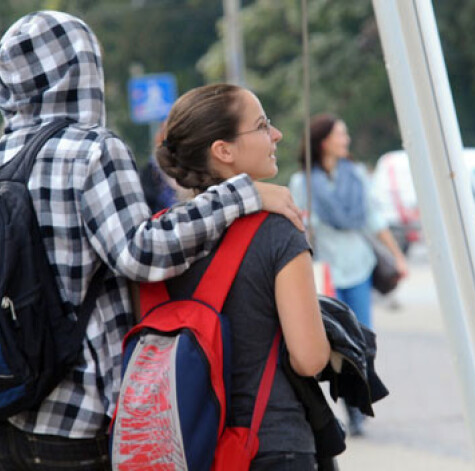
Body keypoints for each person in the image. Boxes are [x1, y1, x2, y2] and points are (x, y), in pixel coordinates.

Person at [0, 11, 302, 470]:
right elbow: (141, 253)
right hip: (76, 421)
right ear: (81, 69)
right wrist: (240, 194)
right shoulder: (93, 148)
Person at [156, 83, 330, 470]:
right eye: (263, 125)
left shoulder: (160, 240)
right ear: (224, 151)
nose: (276, 134)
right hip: (270, 443)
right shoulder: (278, 232)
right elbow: (309, 358)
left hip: (181, 447)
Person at [289, 113, 407, 435]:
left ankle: (357, 409)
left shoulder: (355, 175)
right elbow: (298, 229)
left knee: (360, 340)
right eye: (342, 134)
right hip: (325, 272)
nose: (347, 140)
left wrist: (397, 256)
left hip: (359, 266)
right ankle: (338, 407)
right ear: (325, 140)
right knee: (332, 346)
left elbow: (373, 219)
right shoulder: (303, 183)